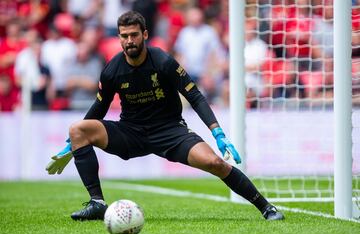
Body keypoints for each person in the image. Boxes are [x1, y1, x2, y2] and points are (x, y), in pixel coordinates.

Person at [46, 11, 284, 222]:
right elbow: (99, 107)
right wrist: (72, 145)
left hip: (170, 131)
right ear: (119, 38)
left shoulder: (163, 61)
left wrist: (217, 131)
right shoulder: (112, 70)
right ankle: (97, 203)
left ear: (145, 34)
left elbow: (195, 96)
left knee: (215, 163)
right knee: (78, 129)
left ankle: (266, 207)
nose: (129, 41)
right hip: (131, 132)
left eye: (134, 35)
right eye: (124, 36)